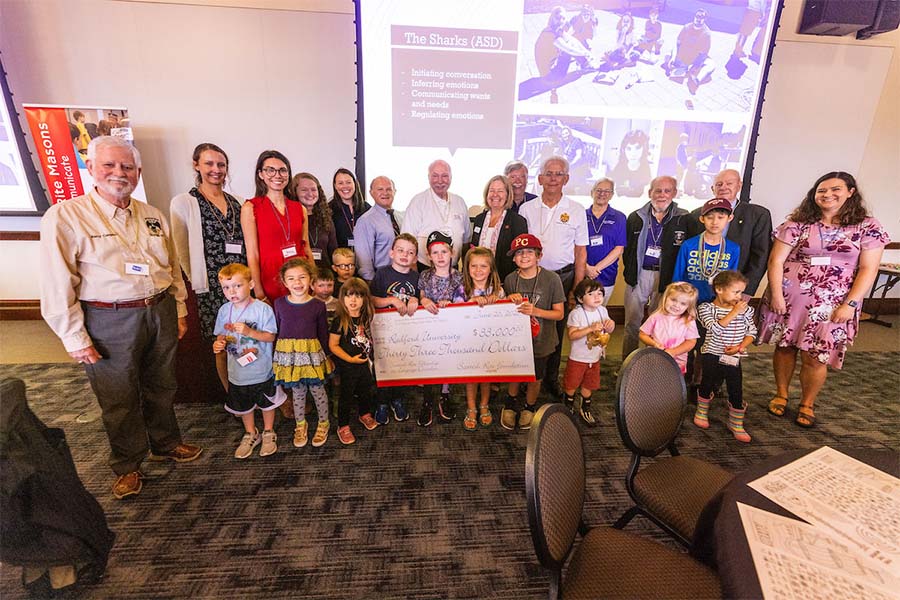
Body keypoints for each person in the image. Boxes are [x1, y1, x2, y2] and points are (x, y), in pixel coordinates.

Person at [39, 136, 201, 500]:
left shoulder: (152, 215)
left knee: (162, 385)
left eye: (127, 167)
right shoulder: (67, 216)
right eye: (110, 165)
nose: (119, 173)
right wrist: (74, 337)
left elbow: (171, 266)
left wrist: (177, 308)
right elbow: (56, 281)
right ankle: (128, 464)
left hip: (158, 309)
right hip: (107, 318)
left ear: (138, 172)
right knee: (118, 395)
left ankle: (166, 443)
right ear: (92, 169)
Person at [757, 172, 890, 428]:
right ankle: (781, 393)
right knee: (785, 346)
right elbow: (776, 261)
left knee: (817, 354)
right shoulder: (798, 223)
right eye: (822, 190)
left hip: (834, 302)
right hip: (789, 296)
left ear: (851, 191)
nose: (827, 194)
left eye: (835, 189)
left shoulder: (867, 226)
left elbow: (868, 269)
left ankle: (807, 402)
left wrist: (850, 304)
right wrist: (775, 294)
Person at [170, 143, 246, 391]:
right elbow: (181, 249)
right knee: (222, 343)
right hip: (213, 286)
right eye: (209, 164)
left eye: (221, 165)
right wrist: (197, 282)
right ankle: (233, 395)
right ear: (196, 165)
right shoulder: (185, 202)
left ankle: (251, 388)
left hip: (242, 284)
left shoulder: (239, 202)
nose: (216, 169)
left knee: (245, 338)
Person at [519, 155, 588, 399]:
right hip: (531, 278)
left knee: (556, 332)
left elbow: (581, 252)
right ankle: (526, 377)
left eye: (558, 174)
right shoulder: (526, 209)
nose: (553, 178)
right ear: (539, 179)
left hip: (563, 278)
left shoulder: (577, 210)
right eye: (548, 173)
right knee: (529, 329)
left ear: (566, 179)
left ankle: (550, 378)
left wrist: (577, 288)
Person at [212, 264, 282, 458]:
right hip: (237, 372)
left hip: (262, 369)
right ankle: (251, 433)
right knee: (243, 405)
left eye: (237, 285)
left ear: (250, 284)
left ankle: (269, 431)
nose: (231, 291)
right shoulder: (224, 311)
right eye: (226, 287)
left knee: (267, 403)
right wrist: (219, 345)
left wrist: (250, 332)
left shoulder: (262, 309)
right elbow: (221, 337)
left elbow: (271, 337)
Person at [501, 234, 565, 431]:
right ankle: (511, 402)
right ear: (513, 258)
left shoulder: (552, 279)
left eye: (529, 252)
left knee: (536, 376)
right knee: (515, 372)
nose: (524, 256)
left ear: (539, 255)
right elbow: (504, 311)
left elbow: (559, 314)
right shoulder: (511, 279)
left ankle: (529, 405)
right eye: (519, 253)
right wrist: (508, 299)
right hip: (517, 340)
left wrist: (536, 311)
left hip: (542, 339)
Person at [621, 175, 689, 359]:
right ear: (650, 192)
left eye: (667, 191)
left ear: (674, 193)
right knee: (632, 323)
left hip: (666, 278)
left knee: (659, 323)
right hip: (640, 275)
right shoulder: (635, 217)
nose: (662, 195)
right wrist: (632, 272)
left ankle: (652, 361)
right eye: (658, 190)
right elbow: (627, 250)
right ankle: (628, 362)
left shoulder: (684, 218)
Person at [273, 258, 333, 449]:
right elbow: (277, 330)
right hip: (289, 356)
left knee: (318, 391)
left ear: (311, 279)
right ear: (284, 281)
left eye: (302, 277)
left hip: (312, 355)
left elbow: (323, 333)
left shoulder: (317, 305)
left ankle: (324, 422)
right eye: (291, 278)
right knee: (297, 392)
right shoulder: (279, 303)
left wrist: (327, 357)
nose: (297, 283)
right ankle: (300, 425)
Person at [684, 169, 773, 296]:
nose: (723, 187)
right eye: (719, 184)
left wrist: (747, 290)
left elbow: (760, 256)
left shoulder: (757, 215)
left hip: (735, 289)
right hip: (699, 287)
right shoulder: (696, 215)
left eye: (729, 183)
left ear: (739, 186)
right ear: (712, 188)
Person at [241, 150, 312, 303]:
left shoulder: (300, 208)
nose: (277, 175)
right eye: (270, 170)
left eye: (282, 170)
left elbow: (306, 247)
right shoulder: (250, 207)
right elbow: (252, 254)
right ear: (260, 174)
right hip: (270, 282)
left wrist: (314, 279)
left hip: (301, 281)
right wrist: (258, 292)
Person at [694, 271, 757, 443]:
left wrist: (740, 346)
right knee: (707, 382)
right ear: (719, 289)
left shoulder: (746, 310)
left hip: (734, 356)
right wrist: (734, 312)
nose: (740, 297)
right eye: (736, 292)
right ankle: (702, 410)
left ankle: (736, 422)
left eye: (741, 292)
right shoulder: (706, 308)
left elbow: (752, 332)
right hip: (712, 353)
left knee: (735, 387)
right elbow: (715, 329)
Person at [416, 231, 467, 427]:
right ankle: (428, 399)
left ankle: (444, 395)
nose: (440, 256)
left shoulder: (459, 277)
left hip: (451, 329)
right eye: (435, 252)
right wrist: (425, 300)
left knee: (448, 362)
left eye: (443, 251)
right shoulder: (425, 275)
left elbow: (463, 300)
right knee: (430, 364)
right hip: (429, 329)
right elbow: (421, 296)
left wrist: (451, 304)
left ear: (452, 252)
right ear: (428, 255)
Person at [370, 234, 420, 424]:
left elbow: (421, 300)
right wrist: (391, 299)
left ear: (415, 258)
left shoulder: (416, 277)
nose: (405, 255)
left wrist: (416, 299)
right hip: (383, 332)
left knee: (402, 366)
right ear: (391, 253)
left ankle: (397, 399)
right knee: (382, 366)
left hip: (406, 333)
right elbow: (372, 299)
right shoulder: (382, 273)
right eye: (400, 250)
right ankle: (382, 402)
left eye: (410, 252)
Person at [329, 277, 378, 445]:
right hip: (348, 366)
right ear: (342, 298)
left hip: (365, 364)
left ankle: (364, 414)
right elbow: (333, 345)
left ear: (365, 299)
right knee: (346, 396)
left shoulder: (367, 317)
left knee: (366, 390)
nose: (353, 300)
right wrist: (349, 359)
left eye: (358, 296)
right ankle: (343, 425)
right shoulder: (339, 320)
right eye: (349, 296)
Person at [462, 247, 505, 430]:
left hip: (489, 342)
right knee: (471, 377)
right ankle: (471, 408)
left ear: (491, 269)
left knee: (487, 376)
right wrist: (469, 302)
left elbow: (507, 314)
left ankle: (484, 405)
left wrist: (500, 301)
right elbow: (454, 314)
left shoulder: (498, 291)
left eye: (483, 266)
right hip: (468, 341)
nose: (478, 271)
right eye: (474, 266)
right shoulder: (462, 289)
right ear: (467, 268)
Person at [401, 160, 470, 270]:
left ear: (451, 177)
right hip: (424, 268)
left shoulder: (459, 202)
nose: (440, 180)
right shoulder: (417, 202)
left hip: (453, 270)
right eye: (435, 176)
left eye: (445, 176)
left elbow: (466, 241)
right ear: (428, 177)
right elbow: (407, 241)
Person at [563, 279, 614, 427]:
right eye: (591, 294)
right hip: (578, 357)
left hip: (595, 357)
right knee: (571, 383)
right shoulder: (576, 314)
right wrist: (590, 329)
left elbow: (609, 329)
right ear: (580, 298)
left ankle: (585, 408)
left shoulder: (602, 310)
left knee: (589, 384)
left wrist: (611, 325)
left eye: (600, 293)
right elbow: (572, 335)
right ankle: (568, 406)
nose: (597, 297)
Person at [672, 198, 741, 305]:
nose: (715, 222)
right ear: (702, 219)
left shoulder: (733, 248)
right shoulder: (689, 245)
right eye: (709, 217)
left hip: (716, 302)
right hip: (688, 301)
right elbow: (678, 276)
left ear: (730, 218)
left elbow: (731, 280)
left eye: (720, 217)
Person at [469, 175, 528, 282]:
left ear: (508, 195)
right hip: (479, 281)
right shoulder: (479, 219)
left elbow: (521, 255)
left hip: (505, 281)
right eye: (492, 190)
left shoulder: (517, 221)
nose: (495, 195)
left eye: (500, 191)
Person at [534, 6, 595, 103]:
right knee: (569, 49)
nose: (561, 20)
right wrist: (585, 53)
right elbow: (570, 50)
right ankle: (586, 65)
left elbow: (572, 40)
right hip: (550, 77)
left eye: (563, 18)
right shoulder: (549, 34)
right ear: (552, 17)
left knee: (571, 42)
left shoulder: (555, 29)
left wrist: (586, 51)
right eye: (558, 18)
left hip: (548, 71)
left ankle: (586, 64)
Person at [639, 282, 699, 375]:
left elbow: (691, 342)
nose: (676, 305)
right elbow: (643, 334)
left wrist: (674, 351)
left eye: (683, 303)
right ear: (665, 297)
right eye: (673, 300)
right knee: (654, 381)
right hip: (655, 359)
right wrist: (654, 343)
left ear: (688, 306)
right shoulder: (656, 316)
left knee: (673, 385)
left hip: (677, 363)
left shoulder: (688, 320)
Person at [585, 178, 626, 303]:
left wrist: (595, 269)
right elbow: (573, 246)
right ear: (592, 192)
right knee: (579, 311)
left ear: (612, 195)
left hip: (606, 274)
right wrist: (586, 268)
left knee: (600, 311)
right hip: (582, 272)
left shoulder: (619, 217)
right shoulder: (581, 215)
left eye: (607, 191)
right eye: (599, 190)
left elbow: (619, 248)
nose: (602, 194)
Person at [356, 175, 402, 281]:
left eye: (389, 189)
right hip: (380, 279)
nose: (385, 193)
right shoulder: (366, 221)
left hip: (403, 277)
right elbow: (364, 259)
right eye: (380, 189)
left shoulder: (401, 217)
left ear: (395, 191)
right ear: (371, 193)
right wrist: (371, 284)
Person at [663, 9, 716, 96]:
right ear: (694, 17)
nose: (698, 18)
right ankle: (677, 67)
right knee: (668, 54)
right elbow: (677, 44)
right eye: (697, 16)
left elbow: (704, 53)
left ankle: (696, 80)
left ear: (705, 19)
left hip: (692, 61)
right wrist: (673, 57)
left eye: (701, 17)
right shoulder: (686, 27)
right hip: (681, 57)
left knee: (712, 64)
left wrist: (695, 65)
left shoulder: (706, 33)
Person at [291, 172, 337, 270]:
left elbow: (333, 251)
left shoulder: (326, 218)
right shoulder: (289, 219)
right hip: (300, 277)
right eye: (304, 190)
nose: (310, 194)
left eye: (313, 189)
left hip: (325, 277)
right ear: (295, 192)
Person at [329, 168, 370, 249]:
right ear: (335, 186)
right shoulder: (329, 210)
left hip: (364, 259)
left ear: (355, 184)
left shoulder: (367, 208)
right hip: (340, 259)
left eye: (348, 182)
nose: (345, 186)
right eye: (340, 183)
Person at [608, 129, 652, 197]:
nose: (633, 154)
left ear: (644, 148)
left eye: (637, 148)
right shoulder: (618, 168)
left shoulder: (649, 170)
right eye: (629, 149)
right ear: (623, 150)